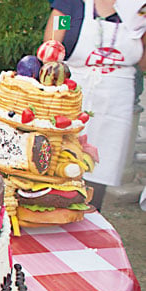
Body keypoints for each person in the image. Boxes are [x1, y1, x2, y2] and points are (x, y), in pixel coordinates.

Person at [45, 0, 146, 211]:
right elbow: (51, 49)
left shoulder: (139, 10)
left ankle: (90, 215)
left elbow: (143, 61)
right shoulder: (69, 7)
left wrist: (141, 27)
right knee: (59, 161)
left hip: (116, 99)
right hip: (72, 92)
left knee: (101, 167)